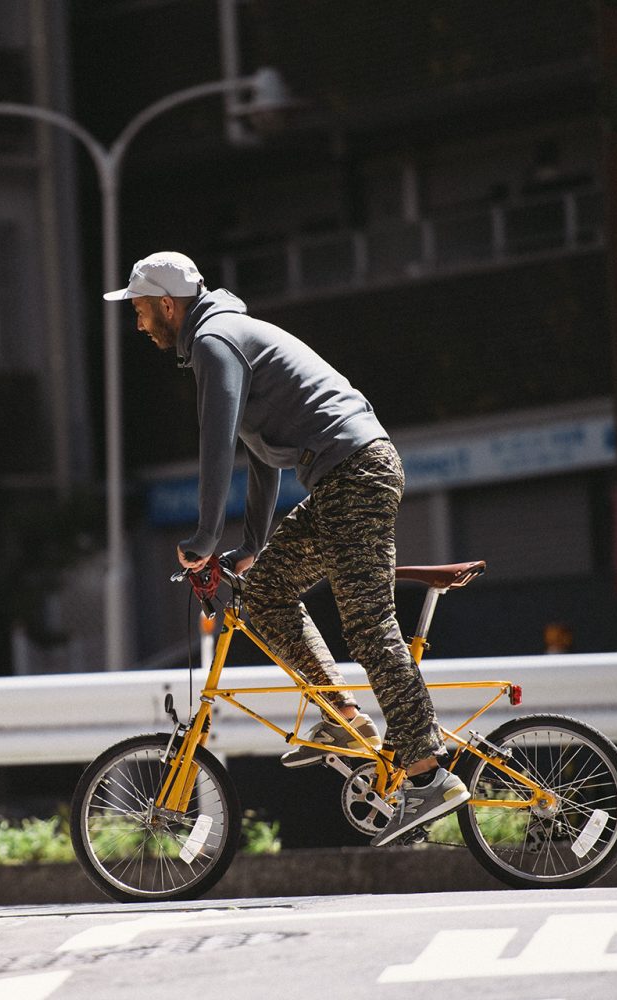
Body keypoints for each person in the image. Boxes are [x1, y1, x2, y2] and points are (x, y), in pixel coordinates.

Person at [105, 251, 469, 845]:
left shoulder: (215, 342)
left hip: (355, 473)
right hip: (341, 476)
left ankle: (428, 776)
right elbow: (262, 456)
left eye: (142, 312)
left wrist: (201, 538)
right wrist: (252, 543)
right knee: (264, 592)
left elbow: (216, 444)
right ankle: (344, 717)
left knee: (369, 623)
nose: (139, 324)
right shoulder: (228, 336)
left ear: (168, 305)